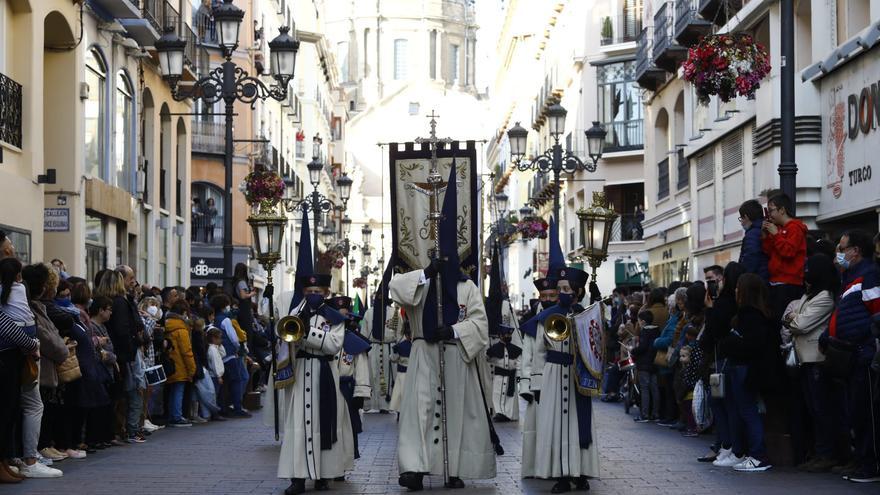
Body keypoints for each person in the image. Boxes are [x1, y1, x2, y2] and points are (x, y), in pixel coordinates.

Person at [275, 272, 350, 494]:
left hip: (323, 373)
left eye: (317, 292)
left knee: (324, 423)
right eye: (309, 292)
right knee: (298, 424)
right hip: (300, 372)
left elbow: (334, 345)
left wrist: (308, 333)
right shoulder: (295, 313)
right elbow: (285, 343)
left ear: (326, 293)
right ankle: (297, 477)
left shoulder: (334, 317)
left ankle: (323, 475)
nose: (313, 295)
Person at [531, 266, 597, 493]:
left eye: (567, 288)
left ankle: (580, 474)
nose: (562, 292)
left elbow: (596, 346)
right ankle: (560, 475)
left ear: (577, 291)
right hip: (554, 375)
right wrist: (537, 383)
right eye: (560, 289)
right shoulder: (547, 316)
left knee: (579, 425)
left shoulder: (586, 314)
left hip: (578, 376)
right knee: (555, 426)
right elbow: (539, 351)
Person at [823, 230, 880, 483]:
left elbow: (876, 314)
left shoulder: (868, 276)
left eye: (842, 247)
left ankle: (870, 466)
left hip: (863, 356)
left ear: (855, 251)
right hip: (850, 356)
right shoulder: (849, 278)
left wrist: (866, 344)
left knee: (865, 414)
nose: (839, 252)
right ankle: (862, 462)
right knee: (855, 413)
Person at [781, 254, 838, 473]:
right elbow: (790, 320)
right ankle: (819, 452)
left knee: (821, 408)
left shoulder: (825, 297)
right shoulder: (809, 295)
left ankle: (827, 454)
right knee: (813, 409)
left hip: (816, 359)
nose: (805, 274)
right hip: (804, 359)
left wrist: (793, 318)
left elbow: (800, 324)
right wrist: (794, 318)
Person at [714, 273, 774, 472]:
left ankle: (758, 454)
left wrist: (729, 343)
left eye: (739, 287)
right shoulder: (754, 313)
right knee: (741, 410)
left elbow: (750, 344)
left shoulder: (751, 316)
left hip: (743, 367)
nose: (736, 290)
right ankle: (746, 452)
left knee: (747, 411)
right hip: (740, 367)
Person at [698, 262, 745, 463]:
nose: (713, 285)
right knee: (720, 403)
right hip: (720, 357)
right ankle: (726, 445)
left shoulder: (727, 303)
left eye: (714, 280)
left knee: (726, 403)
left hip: (724, 358)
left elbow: (714, 329)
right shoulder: (727, 301)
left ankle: (731, 446)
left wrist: (710, 310)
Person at [326, 295, 371, 467]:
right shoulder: (324, 336)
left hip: (346, 390)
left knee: (347, 429)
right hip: (328, 387)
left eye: (345, 316)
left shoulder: (354, 341)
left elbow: (361, 368)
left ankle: (343, 464)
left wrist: (360, 393)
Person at [761, 192, 807, 322]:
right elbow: (770, 252)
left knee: (781, 321)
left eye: (771, 211)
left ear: (782, 210)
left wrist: (776, 235)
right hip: (776, 281)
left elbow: (789, 252)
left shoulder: (795, 228)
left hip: (789, 284)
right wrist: (765, 236)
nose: (769, 215)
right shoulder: (780, 229)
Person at [209, 294, 249, 418]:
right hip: (229, 354)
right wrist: (237, 348)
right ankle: (237, 406)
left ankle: (223, 407)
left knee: (223, 383)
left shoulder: (214, 319)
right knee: (237, 380)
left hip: (218, 353)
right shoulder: (226, 319)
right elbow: (233, 337)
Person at [362, 295, 398, 413]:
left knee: (386, 376)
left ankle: (385, 404)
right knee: (374, 376)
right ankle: (374, 403)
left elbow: (398, 332)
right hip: (375, 347)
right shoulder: (369, 313)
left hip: (388, 346)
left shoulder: (394, 313)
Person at [164, 300, 196, 427]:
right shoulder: (181, 329)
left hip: (170, 364)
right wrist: (192, 368)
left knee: (173, 390)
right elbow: (186, 351)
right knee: (178, 390)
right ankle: (177, 416)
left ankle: (173, 415)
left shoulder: (167, 325)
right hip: (180, 365)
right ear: (183, 313)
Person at [629, 309, 659, 423]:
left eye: (639, 320)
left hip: (644, 363)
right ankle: (656, 413)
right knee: (654, 388)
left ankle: (645, 414)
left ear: (643, 321)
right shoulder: (657, 330)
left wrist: (633, 350)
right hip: (654, 363)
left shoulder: (644, 332)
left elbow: (642, 348)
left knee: (645, 389)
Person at [486, 325, 521, 422]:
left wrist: (518, 375)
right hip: (499, 376)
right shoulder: (494, 348)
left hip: (511, 376)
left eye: (510, 334)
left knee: (510, 396)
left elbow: (519, 363)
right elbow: (487, 359)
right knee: (497, 394)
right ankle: (499, 413)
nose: (508, 336)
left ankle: (508, 414)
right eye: (506, 334)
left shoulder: (516, 349)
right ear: (500, 335)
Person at [738, 200, 770, 281]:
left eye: (741, 218)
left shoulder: (752, 234)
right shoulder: (767, 228)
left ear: (746, 217)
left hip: (757, 279)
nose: (741, 222)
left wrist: (744, 278)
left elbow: (751, 257)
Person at [233, 263, 256, 334]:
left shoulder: (235, 281)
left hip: (240, 308)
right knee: (247, 328)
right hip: (244, 308)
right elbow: (243, 296)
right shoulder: (242, 282)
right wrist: (252, 293)